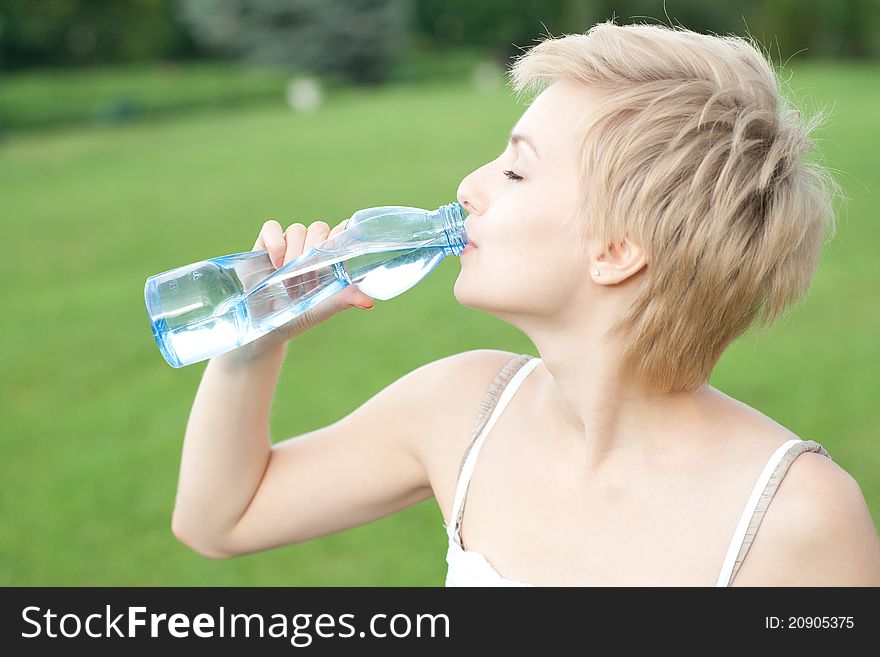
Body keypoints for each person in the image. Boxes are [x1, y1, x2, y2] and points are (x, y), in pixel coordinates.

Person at [170, 20, 880, 586]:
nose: (469, 186)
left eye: (516, 168)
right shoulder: (465, 410)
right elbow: (221, 518)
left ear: (615, 250)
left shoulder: (795, 517)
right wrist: (258, 334)